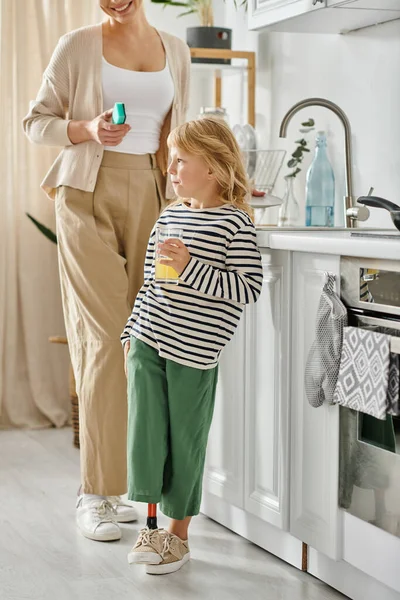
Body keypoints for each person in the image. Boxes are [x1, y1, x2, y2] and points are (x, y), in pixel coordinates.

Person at [22, 0, 191, 542]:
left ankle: (136, 486)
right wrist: (87, 128)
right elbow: (35, 122)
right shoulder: (77, 45)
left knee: (148, 339)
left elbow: (184, 135)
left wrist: (226, 184)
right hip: (85, 193)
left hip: (156, 194)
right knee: (103, 337)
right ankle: (96, 492)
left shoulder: (179, 50)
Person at [121, 117, 263, 575]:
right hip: (149, 340)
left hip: (195, 354)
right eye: (171, 158)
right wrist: (131, 333)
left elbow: (248, 288)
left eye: (181, 159)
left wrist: (190, 267)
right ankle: (150, 528)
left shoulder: (235, 224)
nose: (171, 168)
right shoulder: (170, 215)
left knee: (185, 442)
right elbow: (150, 282)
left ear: (215, 168)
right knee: (146, 436)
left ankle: (177, 537)